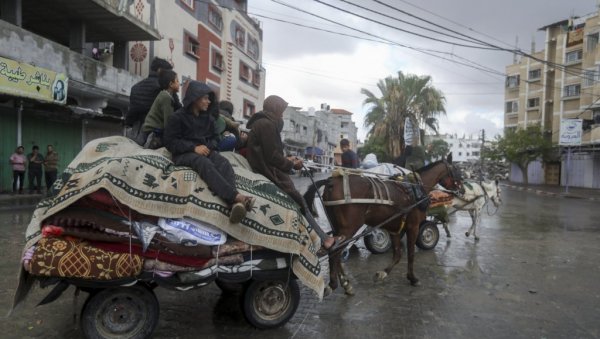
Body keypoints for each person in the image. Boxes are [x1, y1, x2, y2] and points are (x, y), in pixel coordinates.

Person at [245, 95, 343, 254]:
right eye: (281, 111)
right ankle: (324, 239)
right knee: (299, 201)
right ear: (275, 108)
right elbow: (272, 157)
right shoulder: (266, 125)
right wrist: (292, 164)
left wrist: (287, 159)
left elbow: (270, 153)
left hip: (268, 167)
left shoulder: (263, 123)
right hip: (269, 171)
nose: (282, 115)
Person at [163, 81, 255, 223]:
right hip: (183, 154)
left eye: (208, 98)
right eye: (205, 98)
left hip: (204, 151)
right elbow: (170, 142)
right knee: (204, 163)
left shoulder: (208, 119)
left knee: (223, 162)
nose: (208, 101)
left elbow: (214, 139)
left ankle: (234, 204)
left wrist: (208, 147)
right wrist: (194, 148)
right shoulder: (177, 117)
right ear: (195, 98)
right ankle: (236, 197)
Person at [126, 57, 182, 144]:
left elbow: (131, 113)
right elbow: (177, 111)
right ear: (160, 70)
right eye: (168, 72)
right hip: (156, 135)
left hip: (136, 133)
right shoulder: (165, 90)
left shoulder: (135, 87)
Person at [141, 69, 180, 149]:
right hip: (152, 133)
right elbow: (168, 122)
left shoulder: (165, 95)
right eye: (177, 81)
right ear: (171, 84)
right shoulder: (166, 97)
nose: (180, 84)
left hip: (151, 130)